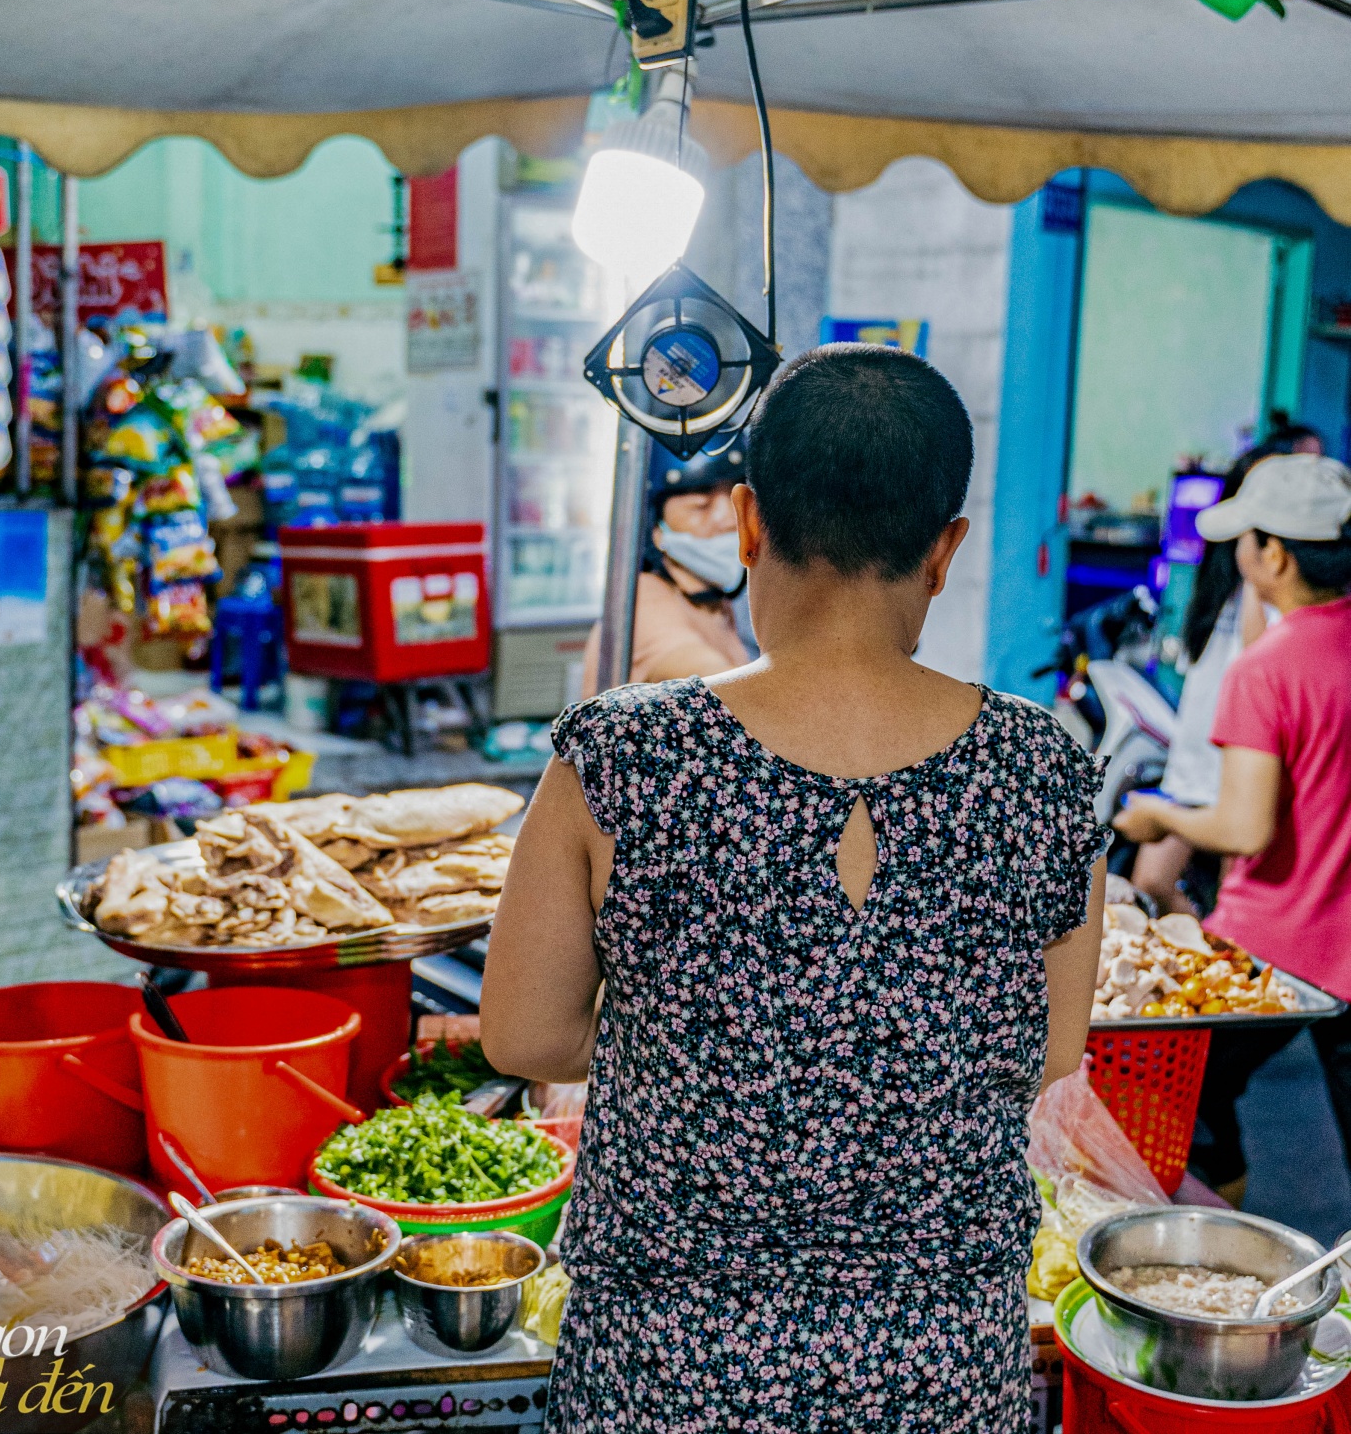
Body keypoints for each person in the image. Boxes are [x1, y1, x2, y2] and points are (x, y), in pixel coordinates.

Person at [483, 345, 1109, 1432]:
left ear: (747, 522)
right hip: (940, 1375)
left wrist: (691, 1036)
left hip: (669, 1375)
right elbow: (1049, 1049)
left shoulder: (624, 753)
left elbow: (523, 1035)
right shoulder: (1043, 767)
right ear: (945, 549)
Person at [1115, 452, 1351, 1204]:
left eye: (1248, 538)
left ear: (1273, 555)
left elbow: (1245, 827)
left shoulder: (1267, 668)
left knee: (1182, 1100)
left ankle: (1210, 1247)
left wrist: (1155, 815)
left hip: (1280, 943)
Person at [1131, 445, 1278, 915]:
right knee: (1150, 881)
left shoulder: (1270, 586)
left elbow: (1258, 656)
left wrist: (1256, 567)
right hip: (1193, 761)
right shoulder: (1216, 577)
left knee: (1234, 899)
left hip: (1239, 768)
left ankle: (1218, 956)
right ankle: (1202, 948)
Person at [580, 447, 749, 693]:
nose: (731, 521)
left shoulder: (713, 603)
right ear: (656, 528)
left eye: (738, 504)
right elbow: (717, 678)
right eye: (701, 506)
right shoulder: (642, 600)